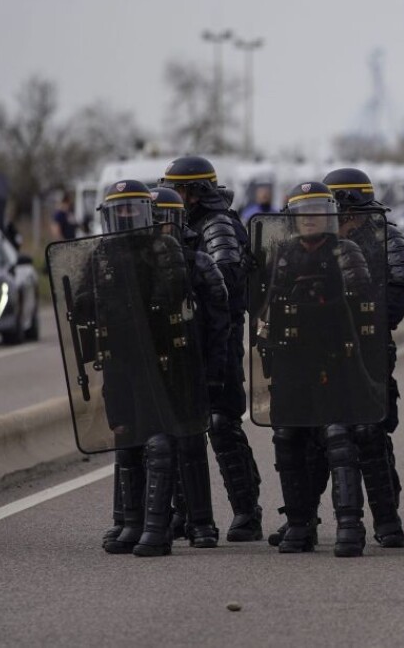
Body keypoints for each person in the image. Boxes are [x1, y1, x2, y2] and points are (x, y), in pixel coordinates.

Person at [72, 180, 197, 557]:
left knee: (157, 441)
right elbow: (83, 301)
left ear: (146, 211)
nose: (127, 216)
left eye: (133, 208)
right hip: (118, 362)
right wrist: (83, 306)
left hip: (157, 361)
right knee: (126, 439)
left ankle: (157, 530)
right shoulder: (101, 253)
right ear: (110, 215)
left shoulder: (164, 248)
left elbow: (174, 293)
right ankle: (131, 522)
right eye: (120, 209)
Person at [253, 181, 378, 557]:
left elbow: (364, 305)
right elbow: (268, 303)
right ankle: (298, 524)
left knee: (338, 438)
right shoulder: (284, 253)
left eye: (317, 211)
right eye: (303, 213)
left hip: (334, 359)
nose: (310, 219)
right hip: (292, 360)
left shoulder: (346, 251)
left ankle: (349, 526)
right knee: (288, 439)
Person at [159, 156, 264, 541]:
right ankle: (186, 513)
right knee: (179, 427)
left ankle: (247, 512)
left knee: (221, 423)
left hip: (218, 335)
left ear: (198, 191)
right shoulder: (171, 222)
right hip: (178, 338)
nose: (175, 195)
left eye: (181, 188)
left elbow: (228, 285)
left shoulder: (218, 225)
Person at [323, 166, 404, 548]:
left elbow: (397, 293)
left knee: (371, 429)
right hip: (323, 350)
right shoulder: (317, 239)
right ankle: (303, 519)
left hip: (370, 345)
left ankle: (386, 514)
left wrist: (369, 324)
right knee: (323, 431)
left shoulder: (386, 237)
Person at [148, 186, 230, 549]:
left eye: (167, 221)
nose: (161, 228)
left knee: (192, 444)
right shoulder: (132, 262)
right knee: (148, 446)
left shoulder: (198, 262)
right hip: (147, 367)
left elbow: (218, 323)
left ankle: (202, 524)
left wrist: (215, 372)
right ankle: (142, 522)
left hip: (188, 364)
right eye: (154, 221)